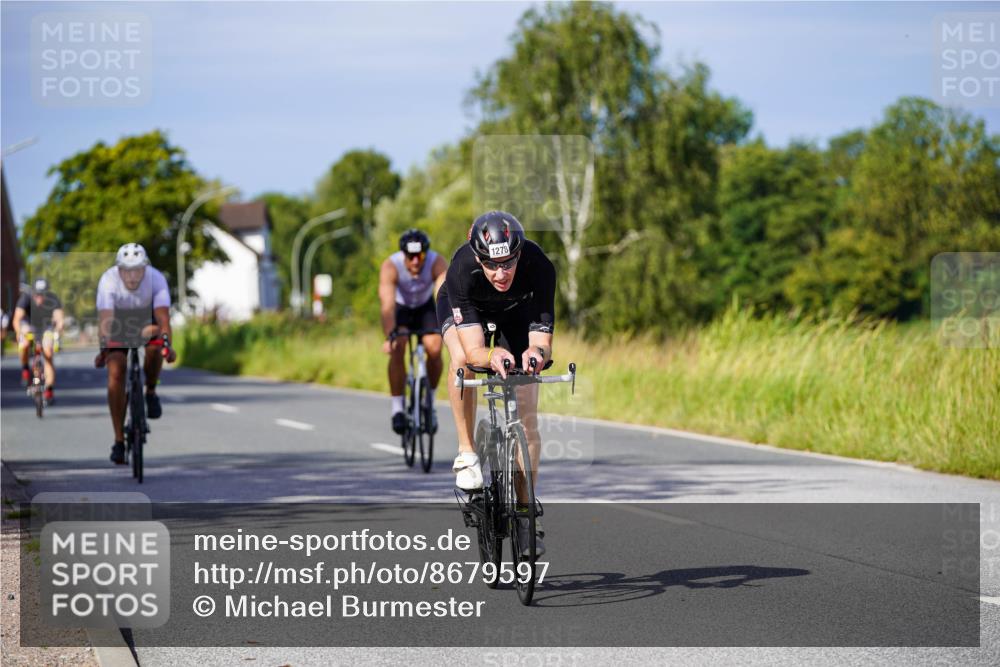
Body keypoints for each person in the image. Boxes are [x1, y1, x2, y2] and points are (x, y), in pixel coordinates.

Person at [437, 211, 555, 555]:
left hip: (518, 313)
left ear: (519, 253)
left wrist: (534, 354)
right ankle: (466, 452)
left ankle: (524, 512)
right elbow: (475, 350)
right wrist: (491, 356)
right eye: (491, 264)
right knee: (462, 360)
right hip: (467, 309)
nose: (500, 273)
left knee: (528, 419)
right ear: (478, 257)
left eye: (508, 263)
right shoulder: (462, 269)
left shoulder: (540, 266)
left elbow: (542, 340)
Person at [93, 243, 176, 465]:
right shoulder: (108, 280)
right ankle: (119, 440)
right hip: (118, 321)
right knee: (116, 370)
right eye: (126, 270)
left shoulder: (156, 278)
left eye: (137, 270)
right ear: (118, 269)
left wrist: (167, 345)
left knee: (155, 344)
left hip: (146, 320)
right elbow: (106, 320)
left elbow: (163, 318)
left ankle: (150, 390)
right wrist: (105, 349)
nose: (131, 275)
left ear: (144, 268)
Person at [378, 229, 448, 435]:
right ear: (403, 255)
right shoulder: (391, 266)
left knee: (435, 348)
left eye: (420, 256)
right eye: (411, 257)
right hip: (401, 309)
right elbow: (387, 305)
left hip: (426, 307)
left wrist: (448, 327)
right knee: (398, 346)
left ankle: (429, 403)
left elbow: (443, 296)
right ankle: (398, 409)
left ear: (426, 253)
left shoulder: (437, 263)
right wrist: (390, 335)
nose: (416, 261)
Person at [12, 278, 64, 404]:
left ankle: (49, 390)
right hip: (29, 325)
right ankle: (25, 368)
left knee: (48, 353)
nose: (39, 298)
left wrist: (56, 332)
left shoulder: (53, 299)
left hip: (46, 327)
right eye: (37, 295)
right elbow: (17, 319)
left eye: (43, 295)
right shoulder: (26, 297)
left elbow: (59, 319)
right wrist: (19, 333)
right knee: (24, 343)